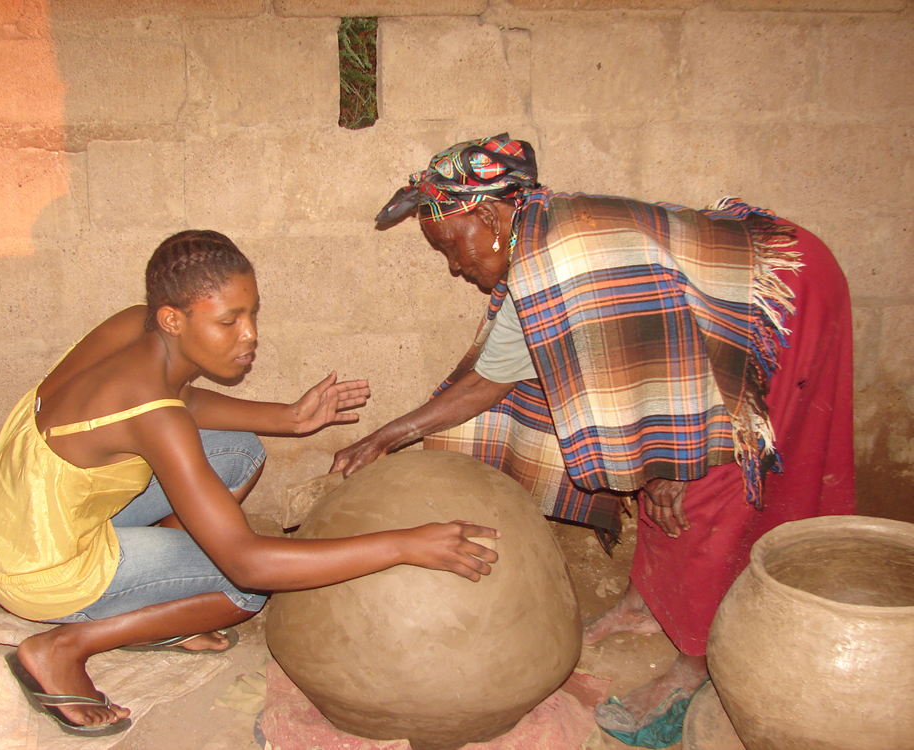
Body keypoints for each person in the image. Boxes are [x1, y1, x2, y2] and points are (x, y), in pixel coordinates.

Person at [331, 135, 854, 747]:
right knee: (648, 471)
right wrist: (386, 436)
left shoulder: (571, 255)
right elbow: (488, 381)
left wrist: (670, 462)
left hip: (775, 297)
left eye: (450, 245)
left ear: (489, 215)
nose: (453, 265)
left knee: (707, 487)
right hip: (695, 333)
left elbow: (668, 361)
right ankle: (645, 603)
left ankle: (696, 665)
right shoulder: (532, 261)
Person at [0, 230, 499, 737]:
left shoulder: (136, 327)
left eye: (251, 314)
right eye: (229, 321)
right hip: (41, 569)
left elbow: (177, 398)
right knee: (242, 588)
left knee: (237, 451)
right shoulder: (154, 418)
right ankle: (63, 648)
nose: (250, 335)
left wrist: (290, 417)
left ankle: (158, 598)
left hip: (17, 519)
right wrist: (405, 544)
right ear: (173, 319)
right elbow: (249, 562)